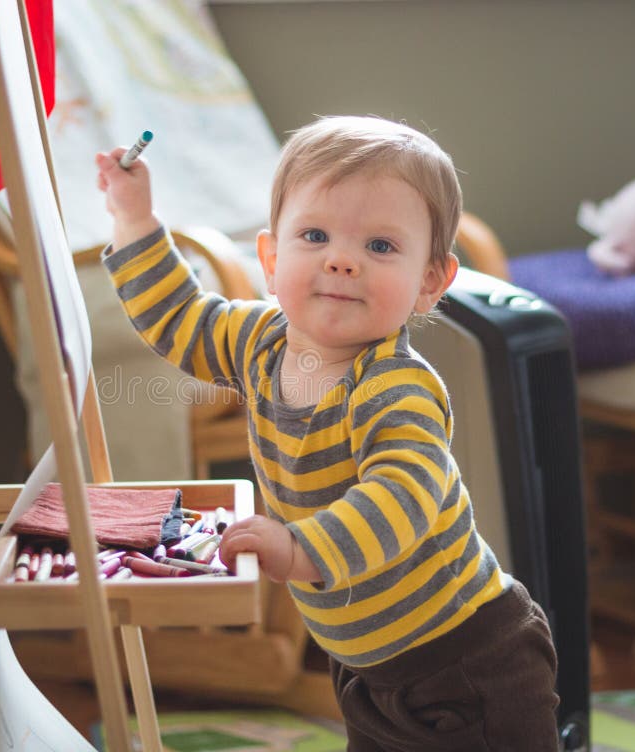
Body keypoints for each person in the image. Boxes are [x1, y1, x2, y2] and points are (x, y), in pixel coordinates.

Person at [95, 115, 559, 751]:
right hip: (365, 664)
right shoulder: (257, 341)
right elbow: (179, 318)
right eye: (315, 235)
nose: (341, 261)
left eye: (380, 247)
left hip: (467, 660)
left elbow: (403, 495)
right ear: (271, 256)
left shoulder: (395, 387)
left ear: (430, 282)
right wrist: (133, 220)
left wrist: (298, 550)